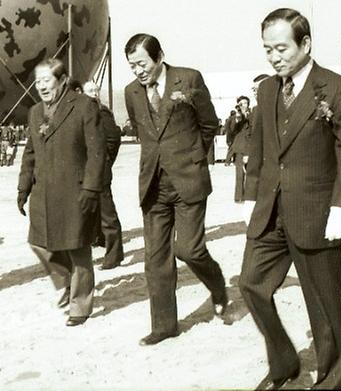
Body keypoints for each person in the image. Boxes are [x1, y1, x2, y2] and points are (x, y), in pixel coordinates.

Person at [239, 8, 341, 390]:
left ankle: (330, 380)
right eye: (267, 50)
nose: (274, 57)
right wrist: (250, 195)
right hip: (270, 213)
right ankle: (284, 362)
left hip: (317, 213)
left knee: (323, 304)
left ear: (306, 43)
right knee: (251, 284)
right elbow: (260, 147)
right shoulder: (266, 89)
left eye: (281, 48)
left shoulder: (336, 88)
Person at [124, 33, 228, 346]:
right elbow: (145, 131)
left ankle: (218, 286)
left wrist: (194, 157)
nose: (138, 71)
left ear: (159, 56)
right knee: (155, 258)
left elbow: (209, 124)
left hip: (188, 180)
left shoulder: (189, 79)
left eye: (142, 63)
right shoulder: (131, 92)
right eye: (132, 66)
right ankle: (164, 326)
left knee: (189, 250)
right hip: (154, 184)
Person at [18, 60, 104, 326]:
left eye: (46, 80)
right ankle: (65, 282)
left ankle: (80, 306)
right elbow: (30, 152)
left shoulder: (83, 106)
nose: (41, 86)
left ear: (63, 79)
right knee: (38, 241)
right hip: (42, 190)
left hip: (75, 190)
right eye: (38, 81)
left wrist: (91, 187)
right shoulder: (34, 112)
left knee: (77, 248)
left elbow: (97, 152)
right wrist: (23, 188)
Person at [82, 80, 125, 269]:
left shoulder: (102, 111)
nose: (93, 93)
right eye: (89, 90)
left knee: (107, 214)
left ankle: (114, 256)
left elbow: (113, 139)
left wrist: (106, 161)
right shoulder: (81, 110)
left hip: (100, 170)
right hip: (84, 171)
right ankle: (98, 240)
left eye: (95, 90)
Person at [227, 96, 252, 203]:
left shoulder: (252, 115)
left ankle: (249, 196)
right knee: (240, 175)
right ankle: (239, 197)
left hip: (251, 148)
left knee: (251, 174)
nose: (243, 106)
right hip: (240, 149)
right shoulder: (235, 118)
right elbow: (231, 129)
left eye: (245, 103)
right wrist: (237, 118)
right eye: (241, 104)